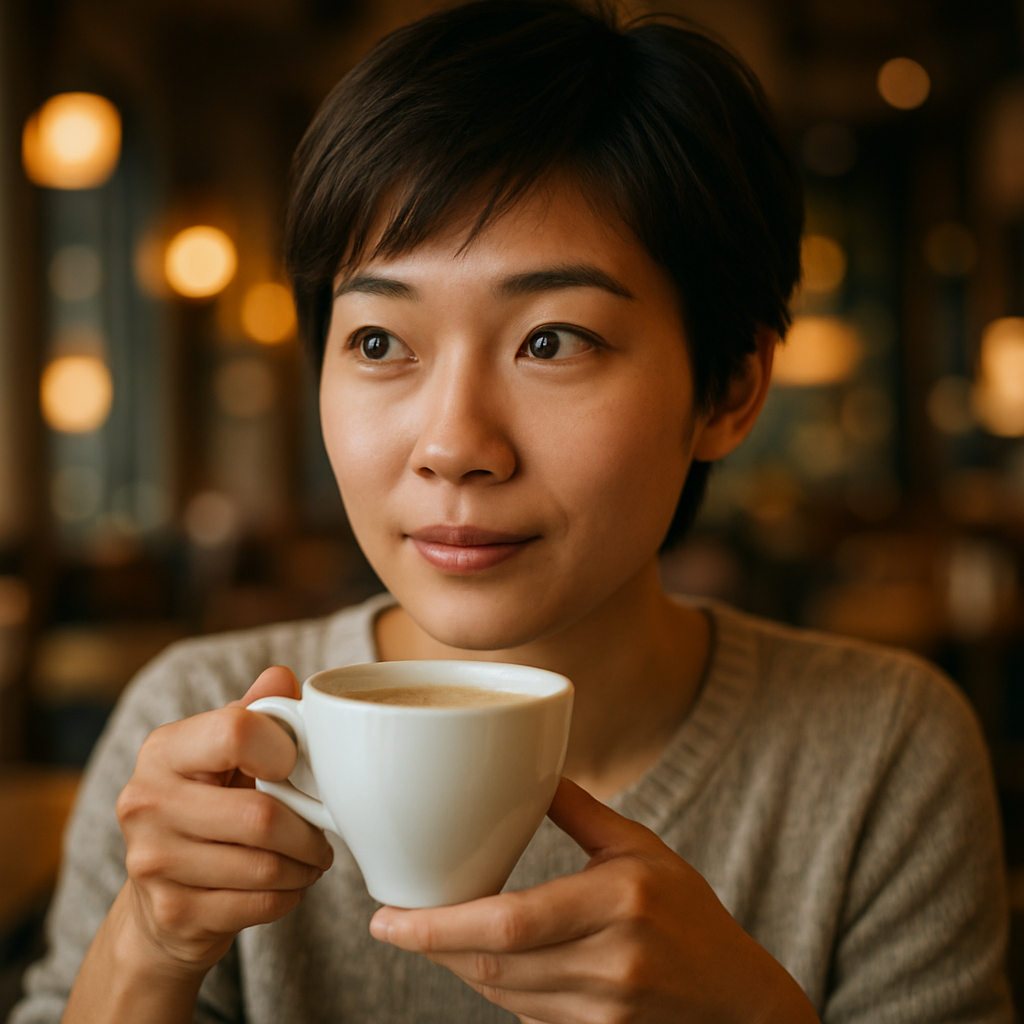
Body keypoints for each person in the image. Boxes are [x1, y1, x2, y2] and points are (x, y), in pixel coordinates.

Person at [11, 2, 1013, 1022]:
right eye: (376, 342)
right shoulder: (208, 730)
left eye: (551, 341)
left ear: (729, 391)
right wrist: (149, 944)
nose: (452, 445)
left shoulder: (881, 751)